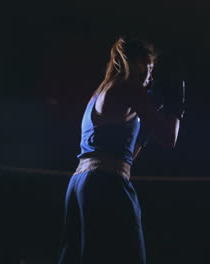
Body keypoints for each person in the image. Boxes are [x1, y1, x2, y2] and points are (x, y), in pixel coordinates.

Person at [58, 36, 183, 264]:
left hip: (80, 184)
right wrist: (177, 108)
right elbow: (169, 139)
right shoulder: (130, 88)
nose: (151, 76)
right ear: (139, 65)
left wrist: (143, 133)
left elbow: (126, 158)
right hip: (105, 184)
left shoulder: (100, 91)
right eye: (150, 68)